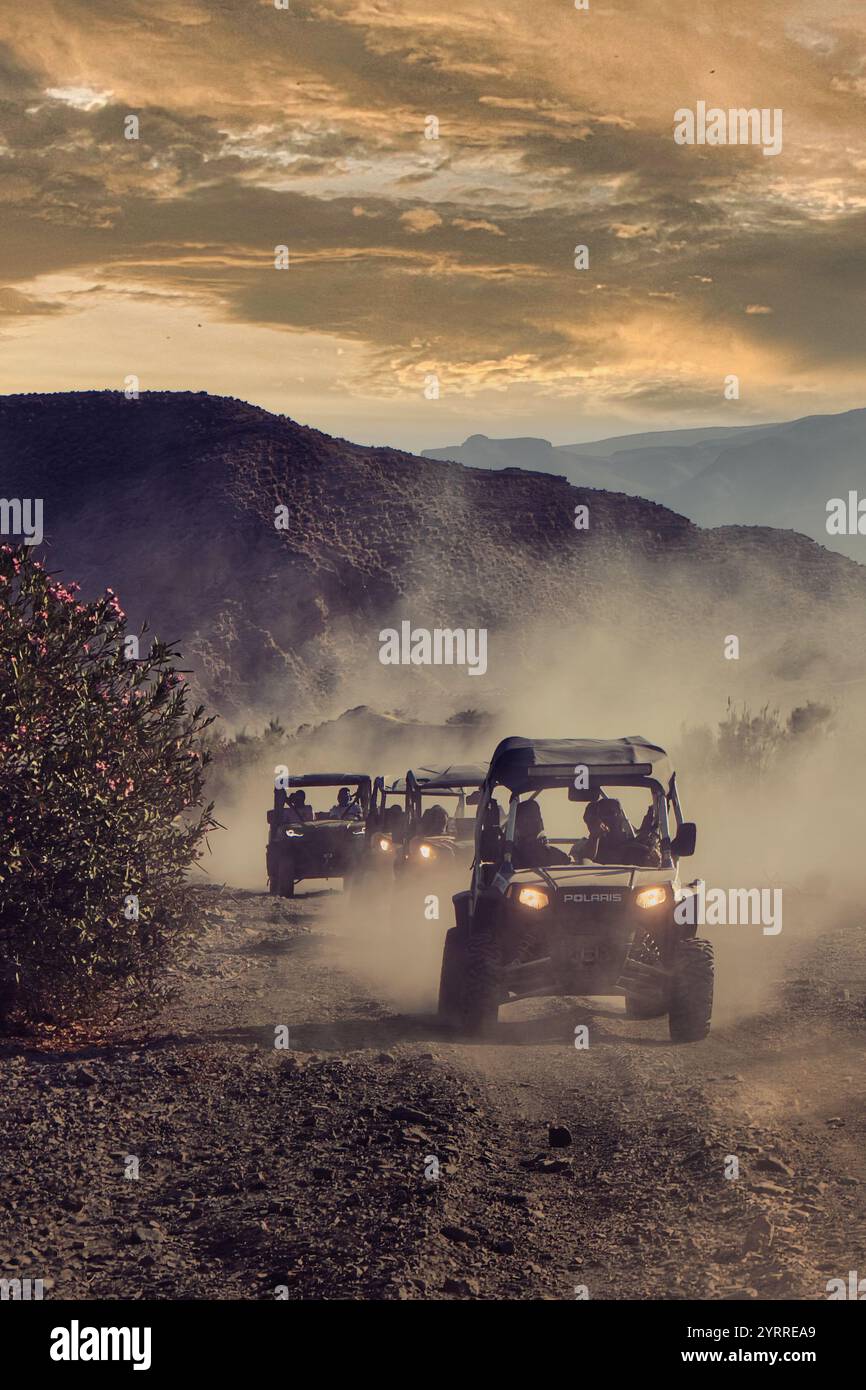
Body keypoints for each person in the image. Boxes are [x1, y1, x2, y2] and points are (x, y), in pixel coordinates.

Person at [512, 798, 570, 869]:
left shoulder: (558, 856)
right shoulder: (510, 858)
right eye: (526, 820)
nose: (530, 824)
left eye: (534, 819)